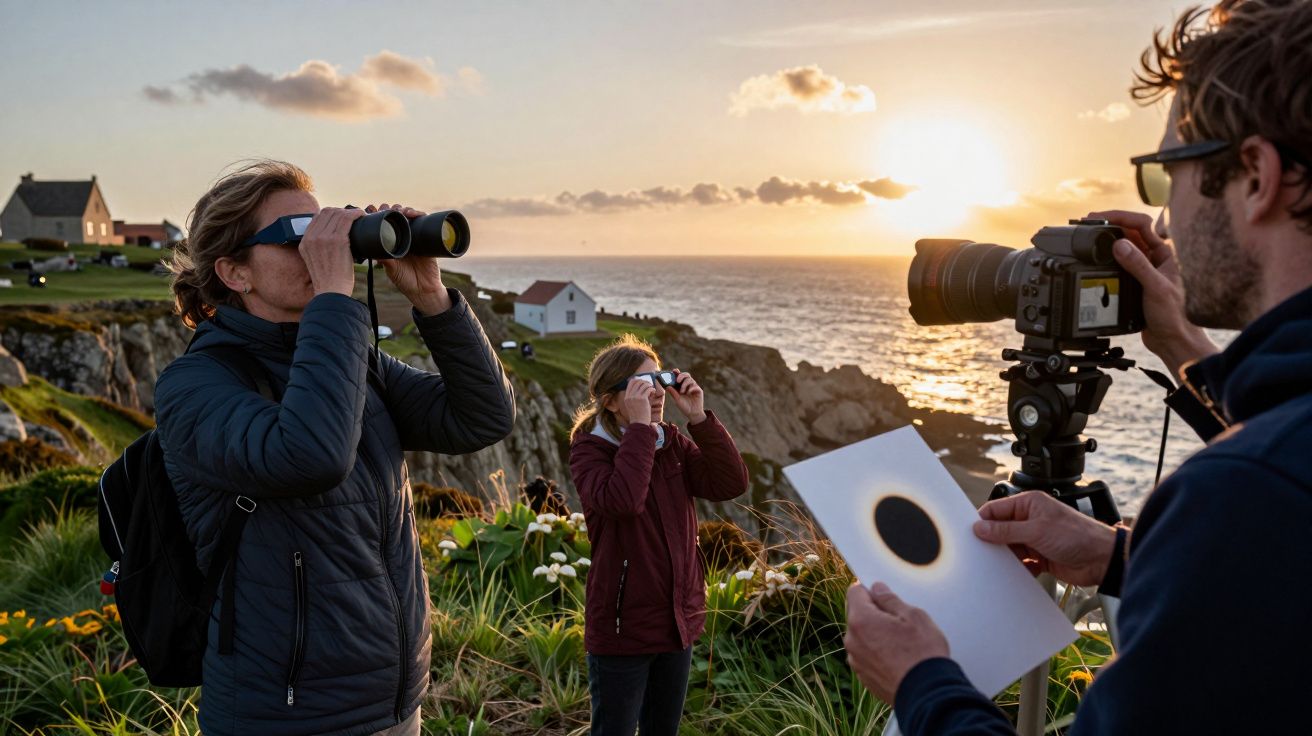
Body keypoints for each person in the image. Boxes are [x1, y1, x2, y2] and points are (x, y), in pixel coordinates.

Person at [844, 1, 1312, 733]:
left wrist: (922, 682)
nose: (1161, 221)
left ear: (1256, 175)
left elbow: (1271, 503)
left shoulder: (1243, 501)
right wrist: (1121, 556)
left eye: (1166, 176)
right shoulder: (1271, 488)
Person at [154, 160, 516, 736]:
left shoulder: (353, 361)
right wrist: (335, 303)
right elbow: (312, 456)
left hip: (394, 701)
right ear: (235, 273)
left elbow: (480, 418)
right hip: (285, 715)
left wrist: (432, 298)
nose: (325, 246)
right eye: (299, 237)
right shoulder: (195, 386)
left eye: (326, 227)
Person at [568, 336, 750, 735]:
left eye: (660, 380)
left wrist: (699, 419)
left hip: (676, 619)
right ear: (611, 400)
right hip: (622, 626)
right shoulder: (590, 452)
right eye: (641, 386)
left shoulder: (672, 442)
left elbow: (729, 482)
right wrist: (642, 431)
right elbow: (623, 501)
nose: (657, 393)